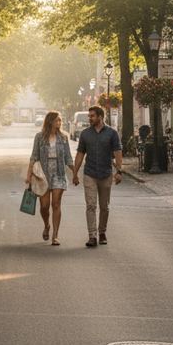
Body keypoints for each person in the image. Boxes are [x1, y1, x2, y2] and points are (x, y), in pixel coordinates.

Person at [72, 105, 123, 248]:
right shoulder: (85, 134)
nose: (89, 118)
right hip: (90, 174)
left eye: (92, 116)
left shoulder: (112, 133)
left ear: (100, 117)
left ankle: (102, 232)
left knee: (104, 206)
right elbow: (80, 154)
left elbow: (118, 152)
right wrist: (75, 173)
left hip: (106, 174)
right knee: (91, 205)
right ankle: (92, 235)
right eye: (89, 116)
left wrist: (119, 171)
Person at [25, 111, 73, 246]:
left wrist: (74, 172)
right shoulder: (39, 137)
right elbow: (34, 156)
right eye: (57, 120)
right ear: (50, 121)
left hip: (58, 174)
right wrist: (29, 175)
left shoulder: (63, 138)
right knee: (44, 206)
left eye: (60, 121)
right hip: (43, 175)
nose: (59, 123)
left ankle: (55, 235)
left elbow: (68, 158)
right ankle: (46, 225)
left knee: (56, 204)